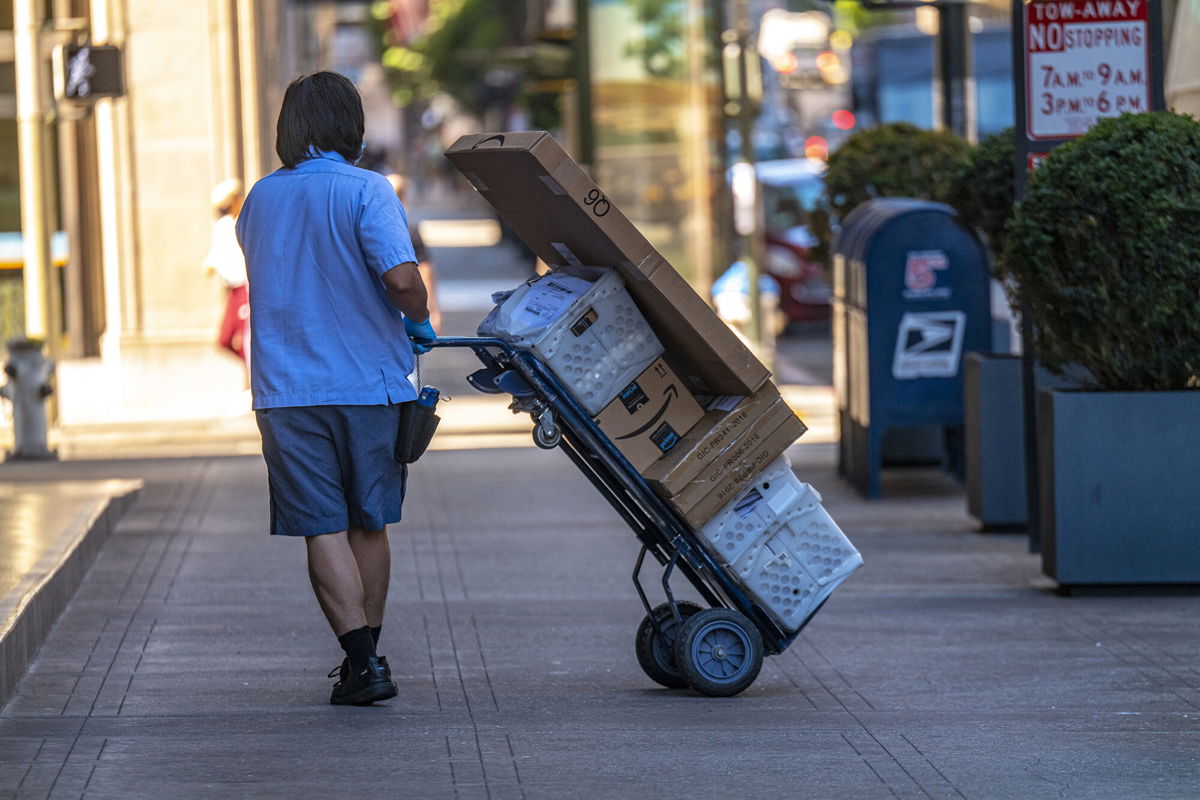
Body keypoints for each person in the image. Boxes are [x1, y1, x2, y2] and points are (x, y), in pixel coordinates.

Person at [235, 71, 436, 706]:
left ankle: (362, 665)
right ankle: (368, 658)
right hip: (368, 384)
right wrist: (420, 320)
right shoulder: (367, 190)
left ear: (288, 129)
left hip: (286, 389)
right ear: (351, 126)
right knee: (369, 523)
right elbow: (401, 279)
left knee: (321, 525)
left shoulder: (259, 199)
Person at [203, 178, 250, 389]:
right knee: (225, 338)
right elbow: (216, 255)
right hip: (232, 289)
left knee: (249, 338)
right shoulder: (223, 226)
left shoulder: (248, 222)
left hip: (246, 287)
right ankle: (254, 372)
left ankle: (252, 380)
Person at [385, 172, 442, 333]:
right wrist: (429, 312)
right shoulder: (409, 230)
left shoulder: (366, 228)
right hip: (407, 306)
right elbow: (424, 271)